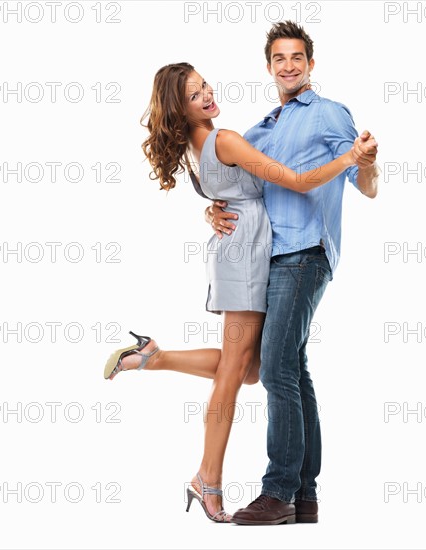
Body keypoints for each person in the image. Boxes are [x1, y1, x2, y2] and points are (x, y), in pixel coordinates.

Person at [102, 60, 374, 523]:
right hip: (246, 257)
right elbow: (297, 181)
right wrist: (350, 158)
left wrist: (214, 213)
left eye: (204, 84)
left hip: (242, 251)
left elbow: (229, 196)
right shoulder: (224, 139)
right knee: (235, 373)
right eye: (193, 95)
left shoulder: (197, 148)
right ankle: (208, 480)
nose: (207, 94)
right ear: (181, 110)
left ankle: (155, 356)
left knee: (250, 369)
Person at [204, 21, 380, 525]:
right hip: (266, 257)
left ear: (310, 63)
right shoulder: (260, 130)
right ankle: (304, 496)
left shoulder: (329, 114)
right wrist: (211, 211)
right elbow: (236, 192)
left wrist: (368, 161)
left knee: (276, 365)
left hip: (305, 252)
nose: (288, 66)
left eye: (297, 57)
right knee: (293, 371)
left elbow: (365, 184)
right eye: (279, 58)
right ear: (269, 67)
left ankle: (277, 490)